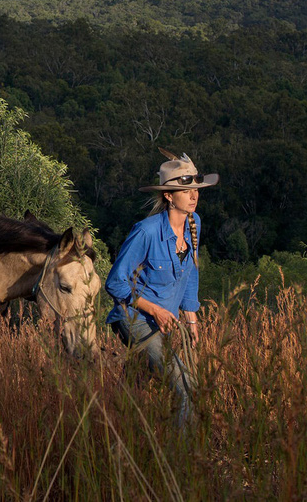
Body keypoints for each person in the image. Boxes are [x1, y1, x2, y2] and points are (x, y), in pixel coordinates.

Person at [105, 148, 218, 427]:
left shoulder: (195, 223)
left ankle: (113, 435)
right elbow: (114, 282)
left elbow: (191, 272)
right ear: (168, 196)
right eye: (186, 190)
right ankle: (183, 460)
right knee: (186, 386)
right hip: (134, 320)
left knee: (132, 390)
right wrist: (154, 309)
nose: (194, 195)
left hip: (162, 321)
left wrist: (191, 319)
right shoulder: (146, 232)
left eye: (196, 189)